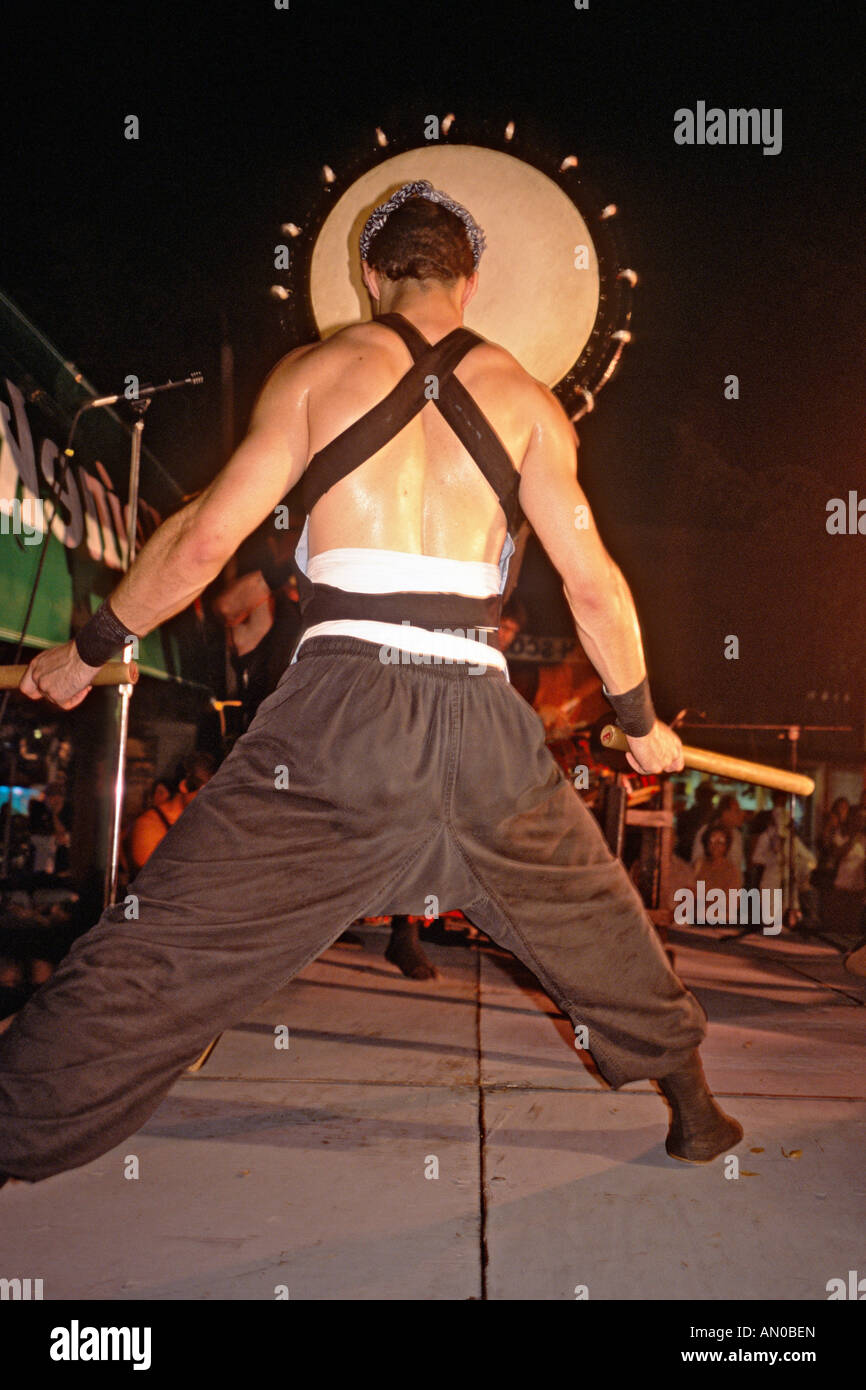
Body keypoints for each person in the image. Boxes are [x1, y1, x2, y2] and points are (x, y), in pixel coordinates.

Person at [1, 181, 742, 1188]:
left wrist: (85, 652)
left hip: (337, 715)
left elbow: (206, 537)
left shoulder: (316, 372)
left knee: (161, 947)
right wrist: (641, 725)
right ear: (471, 283)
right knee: (595, 918)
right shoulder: (528, 402)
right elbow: (592, 584)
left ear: (364, 274)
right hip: (484, 721)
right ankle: (695, 1113)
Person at [128, 753, 216, 872]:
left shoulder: (204, 820)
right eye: (205, 792)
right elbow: (150, 876)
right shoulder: (148, 824)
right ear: (184, 786)